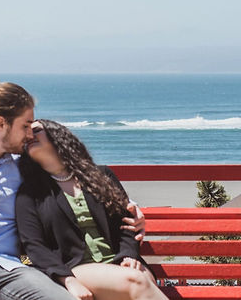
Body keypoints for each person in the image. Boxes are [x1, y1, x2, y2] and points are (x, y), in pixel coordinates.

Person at [0, 83, 143, 300]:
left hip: (10, 269)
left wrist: (129, 205)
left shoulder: (24, 165)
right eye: (25, 125)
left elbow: (71, 181)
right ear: (1, 124)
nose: (30, 134)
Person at [16, 120, 166, 300]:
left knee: (142, 278)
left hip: (120, 260)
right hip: (76, 268)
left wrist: (129, 255)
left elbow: (126, 221)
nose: (29, 136)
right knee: (137, 281)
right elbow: (34, 245)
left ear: (57, 135)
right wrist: (67, 279)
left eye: (36, 130)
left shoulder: (101, 176)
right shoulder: (30, 193)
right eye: (25, 135)